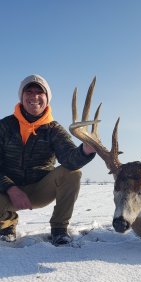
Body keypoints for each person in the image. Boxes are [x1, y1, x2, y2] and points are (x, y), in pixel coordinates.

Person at [0, 74, 96, 245]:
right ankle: (6, 223)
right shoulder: (4, 126)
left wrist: (85, 151)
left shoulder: (54, 129)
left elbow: (69, 160)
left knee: (72, 173)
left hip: (40, 190)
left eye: (40, 92)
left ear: (47, 98)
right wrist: (11, 188)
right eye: (29, 91)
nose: (34, 96)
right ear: (21, 96)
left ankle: (59, 228)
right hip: (7, 192)